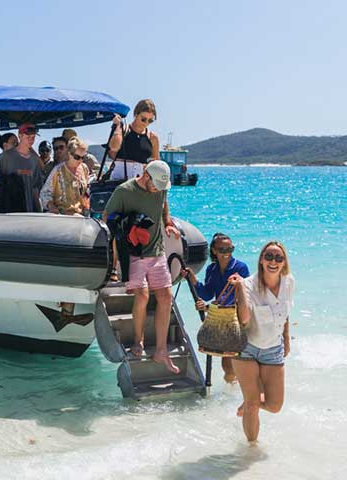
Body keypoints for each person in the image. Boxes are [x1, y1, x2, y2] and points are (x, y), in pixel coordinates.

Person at [102, 160, 181, 374]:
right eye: (155, 185)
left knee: (166, 297)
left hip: (156, 251)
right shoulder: (124, 191)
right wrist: (126, 227)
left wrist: (169, 224)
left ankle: (162, 351)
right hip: (133, 254)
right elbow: (106, 217)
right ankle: (139, 341)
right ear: (145, 175)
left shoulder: (161, 189)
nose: (158, 190)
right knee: (143, 295)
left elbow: (163, 206)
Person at [230, 241, 294, 443]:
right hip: (246, 348)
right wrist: (240, 288)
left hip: (273, 349)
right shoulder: (249, 284)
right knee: (252, 404)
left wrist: (286, 339)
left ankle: (251, 402)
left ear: (284, 263)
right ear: (261, 260)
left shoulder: (289, 282)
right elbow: (245, 319)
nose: (273, 261)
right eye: (268, 256)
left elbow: (286, 313)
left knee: (275, 405)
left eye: (278, 258)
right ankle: (250, 451)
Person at [182, 233, 251, 383]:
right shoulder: (211, 269)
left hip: (239, 319)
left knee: (232, 362)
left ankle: (240, 392)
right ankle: (232, 395)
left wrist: (207, 308)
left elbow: (241, 297)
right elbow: (207, 294)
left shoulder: (241, 268)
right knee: (227, 365)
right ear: (214, 250)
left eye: (230, 249)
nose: (226, 253)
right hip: (224, 321)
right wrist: (193, 279)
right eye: (222, 249)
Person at [0, 123, 43, 213]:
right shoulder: (6, 157)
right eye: (28, 137)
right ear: (20, 136)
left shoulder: (35, 160)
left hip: (29, 212)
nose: (31, 140)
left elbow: (36, 189)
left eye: (33, 137)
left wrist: (39, 211)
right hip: (7, 212)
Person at [107, 99, 160, 180]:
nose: (146, 123)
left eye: (150, 120)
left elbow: (155, 164)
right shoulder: (124, 130)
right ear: (136, 114)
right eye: (143, 119)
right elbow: (114, 148)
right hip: (119, 180)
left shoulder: (153, 137)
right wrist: (118, 127)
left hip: (140, 183)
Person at [40, 136, 90, 216]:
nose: (80, 160)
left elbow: (86, 191)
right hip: (63, 217)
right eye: (77, 157)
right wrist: (51, 206)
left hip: (81, 216)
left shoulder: (84, 169)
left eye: (82, 157)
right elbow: (45, 193)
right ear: (69, 153)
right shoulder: (58, 170)